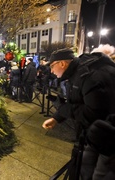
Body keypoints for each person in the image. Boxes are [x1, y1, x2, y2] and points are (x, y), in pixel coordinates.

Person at [42, 48, 115, 180]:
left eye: (52, 66)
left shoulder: (90, 76)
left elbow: (93, 113)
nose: (51, 71)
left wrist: (63, 109)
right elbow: (76, 101)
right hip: (90, 137)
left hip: (104, 144)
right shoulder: (77, 73)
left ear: (62, 64)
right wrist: (57, 118)